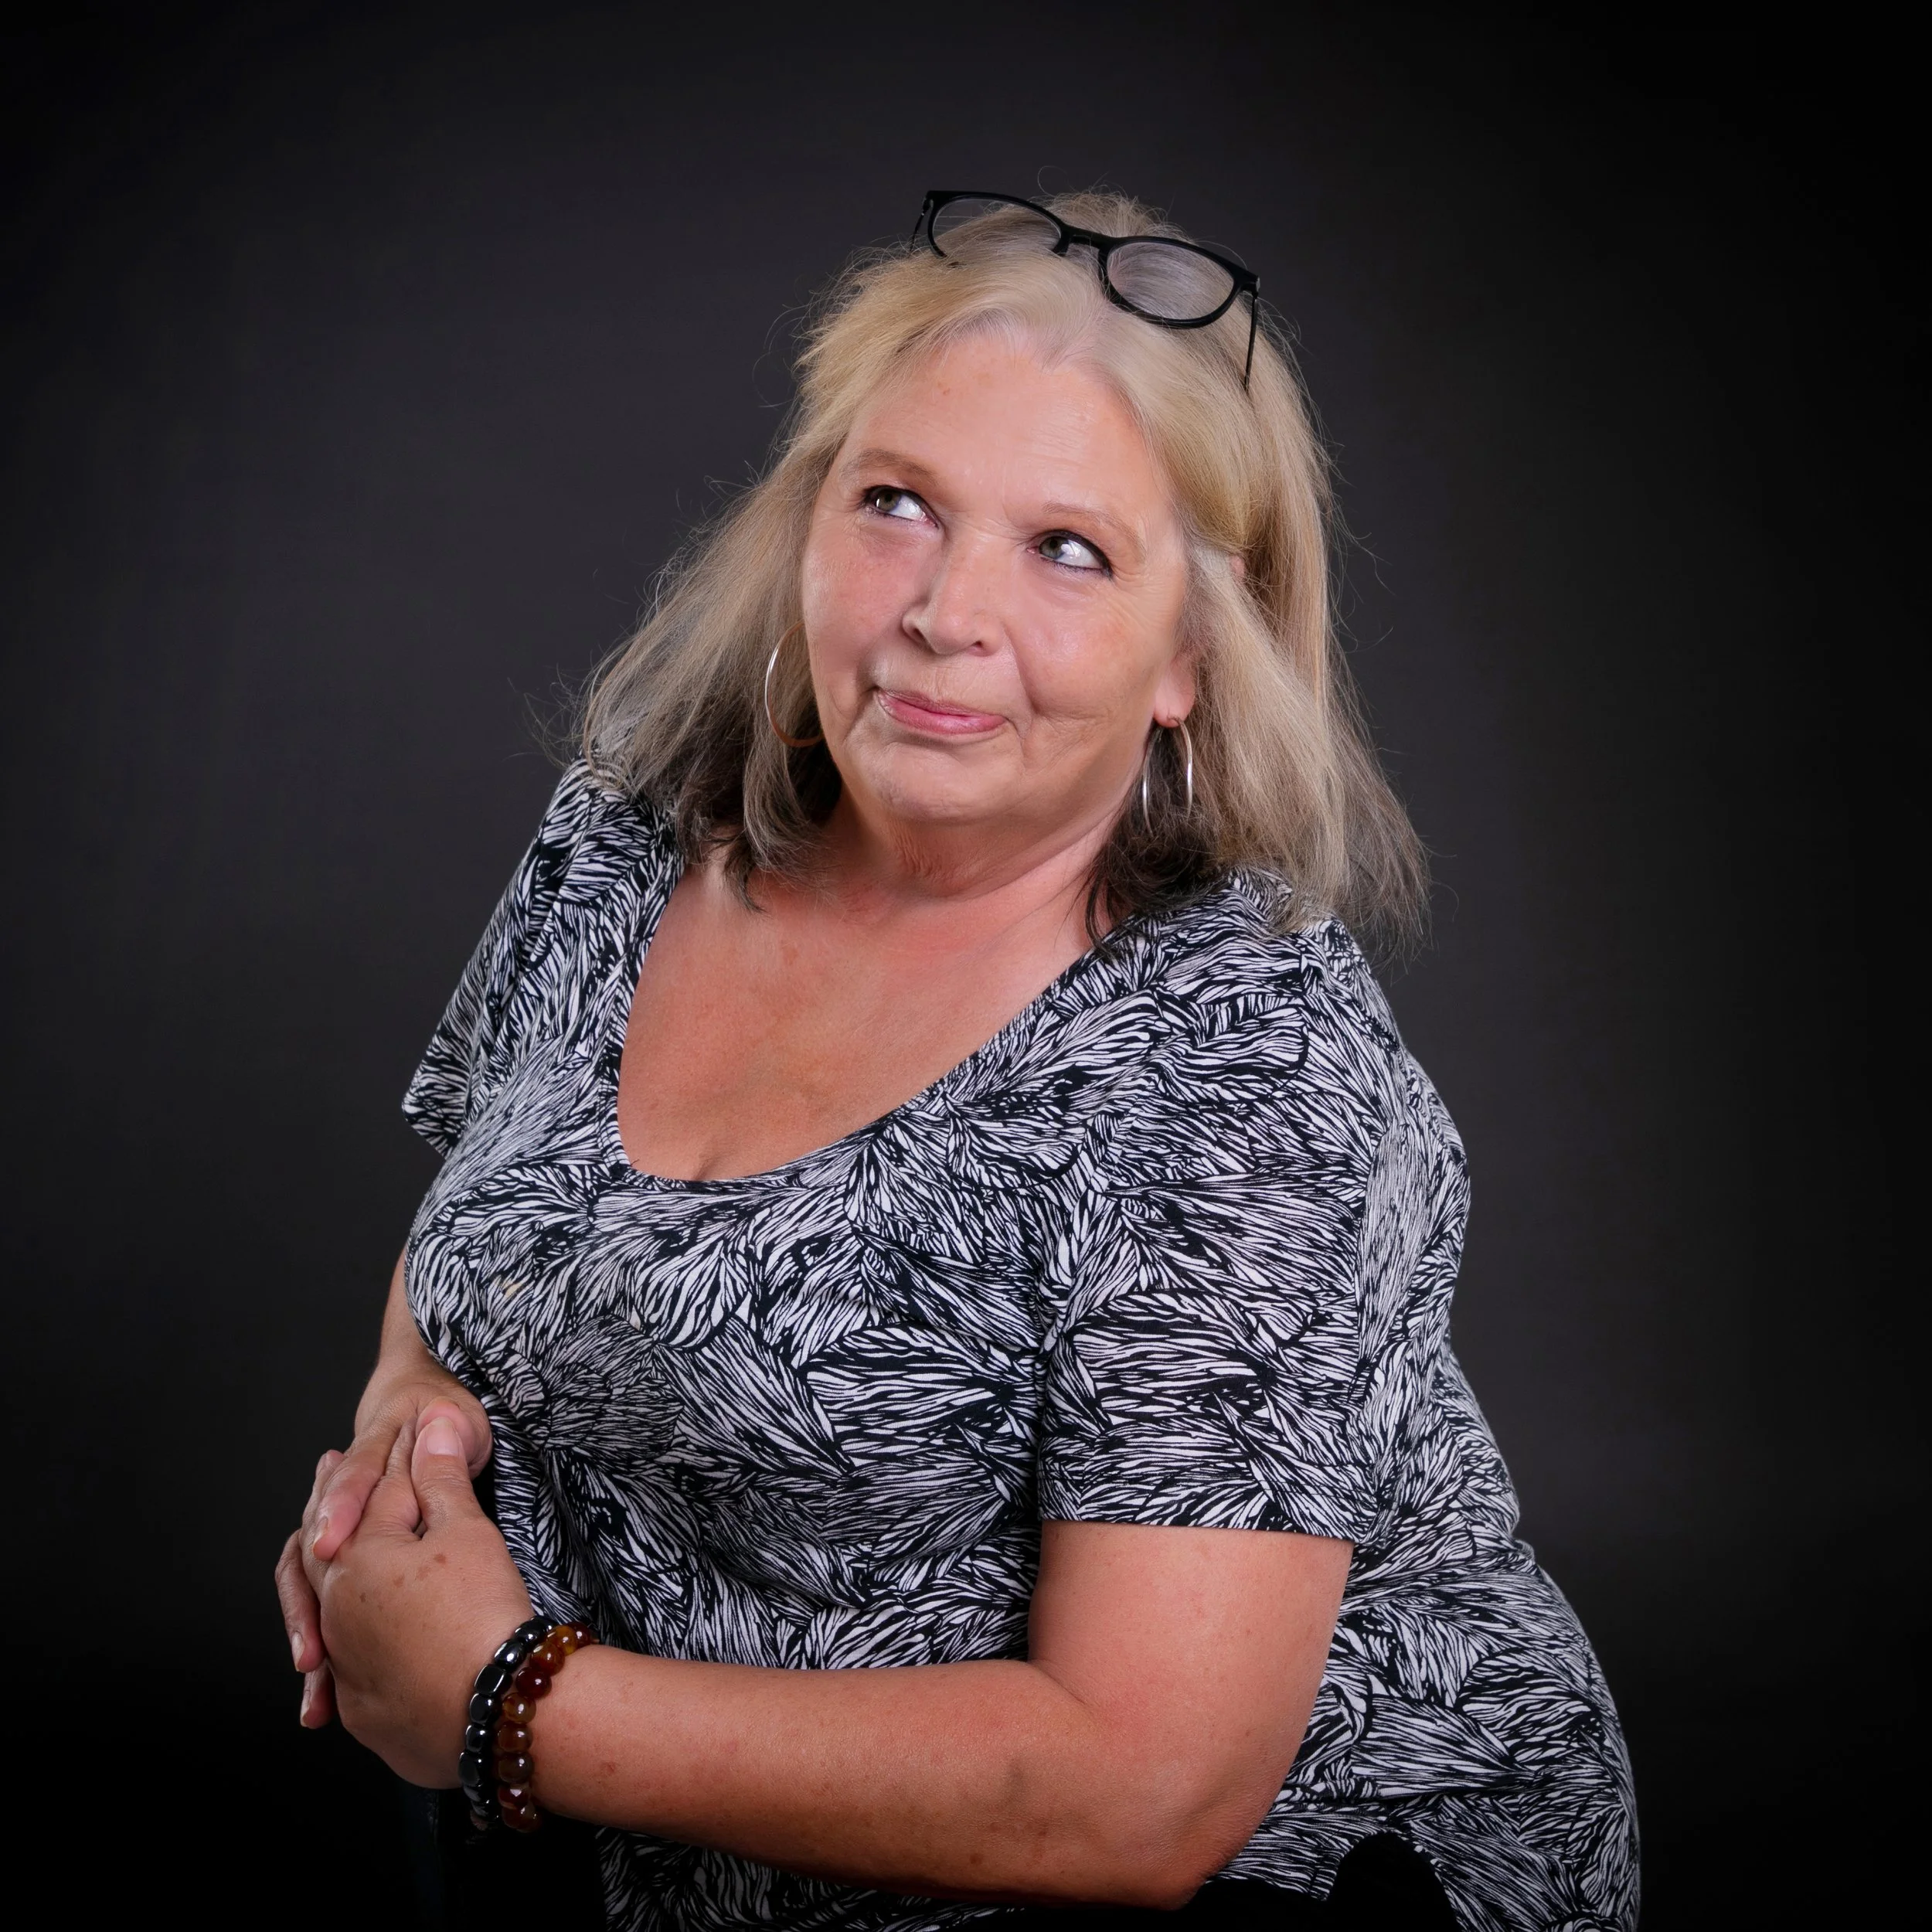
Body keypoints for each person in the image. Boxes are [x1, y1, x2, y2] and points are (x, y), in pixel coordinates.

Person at [274, 189, 1638, 1932]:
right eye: (896, 504)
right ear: (807, 524)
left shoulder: (1246, 1072)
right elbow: (481, 1222)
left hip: (1245, 1887)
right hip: (625, 1824)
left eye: (1066, 549)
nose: (941, 611)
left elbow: (1137, 1792)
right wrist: (400, 1460)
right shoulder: (629, 826)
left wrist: (504, 1697)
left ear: (1187, 658)